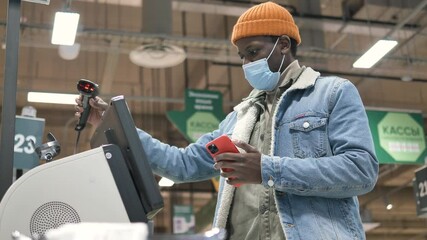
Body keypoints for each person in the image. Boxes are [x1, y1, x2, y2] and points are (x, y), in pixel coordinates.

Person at [75, 2, 378, 239]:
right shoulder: (240, 116)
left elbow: (361, 170)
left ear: (283, 45)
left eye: (253, 52)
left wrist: (266, 169)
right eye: (242, 56)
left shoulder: (332, 93)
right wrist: (115, 126)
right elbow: (184, 165)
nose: (247, 63)